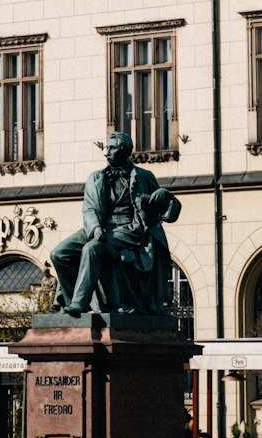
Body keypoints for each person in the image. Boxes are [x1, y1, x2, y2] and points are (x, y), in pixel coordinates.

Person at [50, 130, 182, 315]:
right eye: (106, 148)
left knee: (92, 249)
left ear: (124, 150)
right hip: (98, 226)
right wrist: (95, 228)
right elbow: (89, 209)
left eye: (111, 148)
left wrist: (166, 196)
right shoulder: (95, 177)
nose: (106, 152)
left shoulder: (144, 176)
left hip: (129, 229)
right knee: (59, 254)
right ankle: (74, 302)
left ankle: (78, 305)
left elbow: (169, 213)